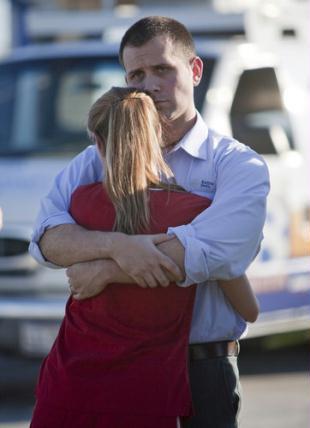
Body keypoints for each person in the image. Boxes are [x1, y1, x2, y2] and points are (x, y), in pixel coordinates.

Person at [29, 16, 269, 427]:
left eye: (162, 69)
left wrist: (104, 268)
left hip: (201, 368)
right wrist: (117, 246)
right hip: (107, 364)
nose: (148, 84)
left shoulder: (237, 163)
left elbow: (217, 252)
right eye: (135, 74)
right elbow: (46, 239)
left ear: (194, 71)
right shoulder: (92, 162)